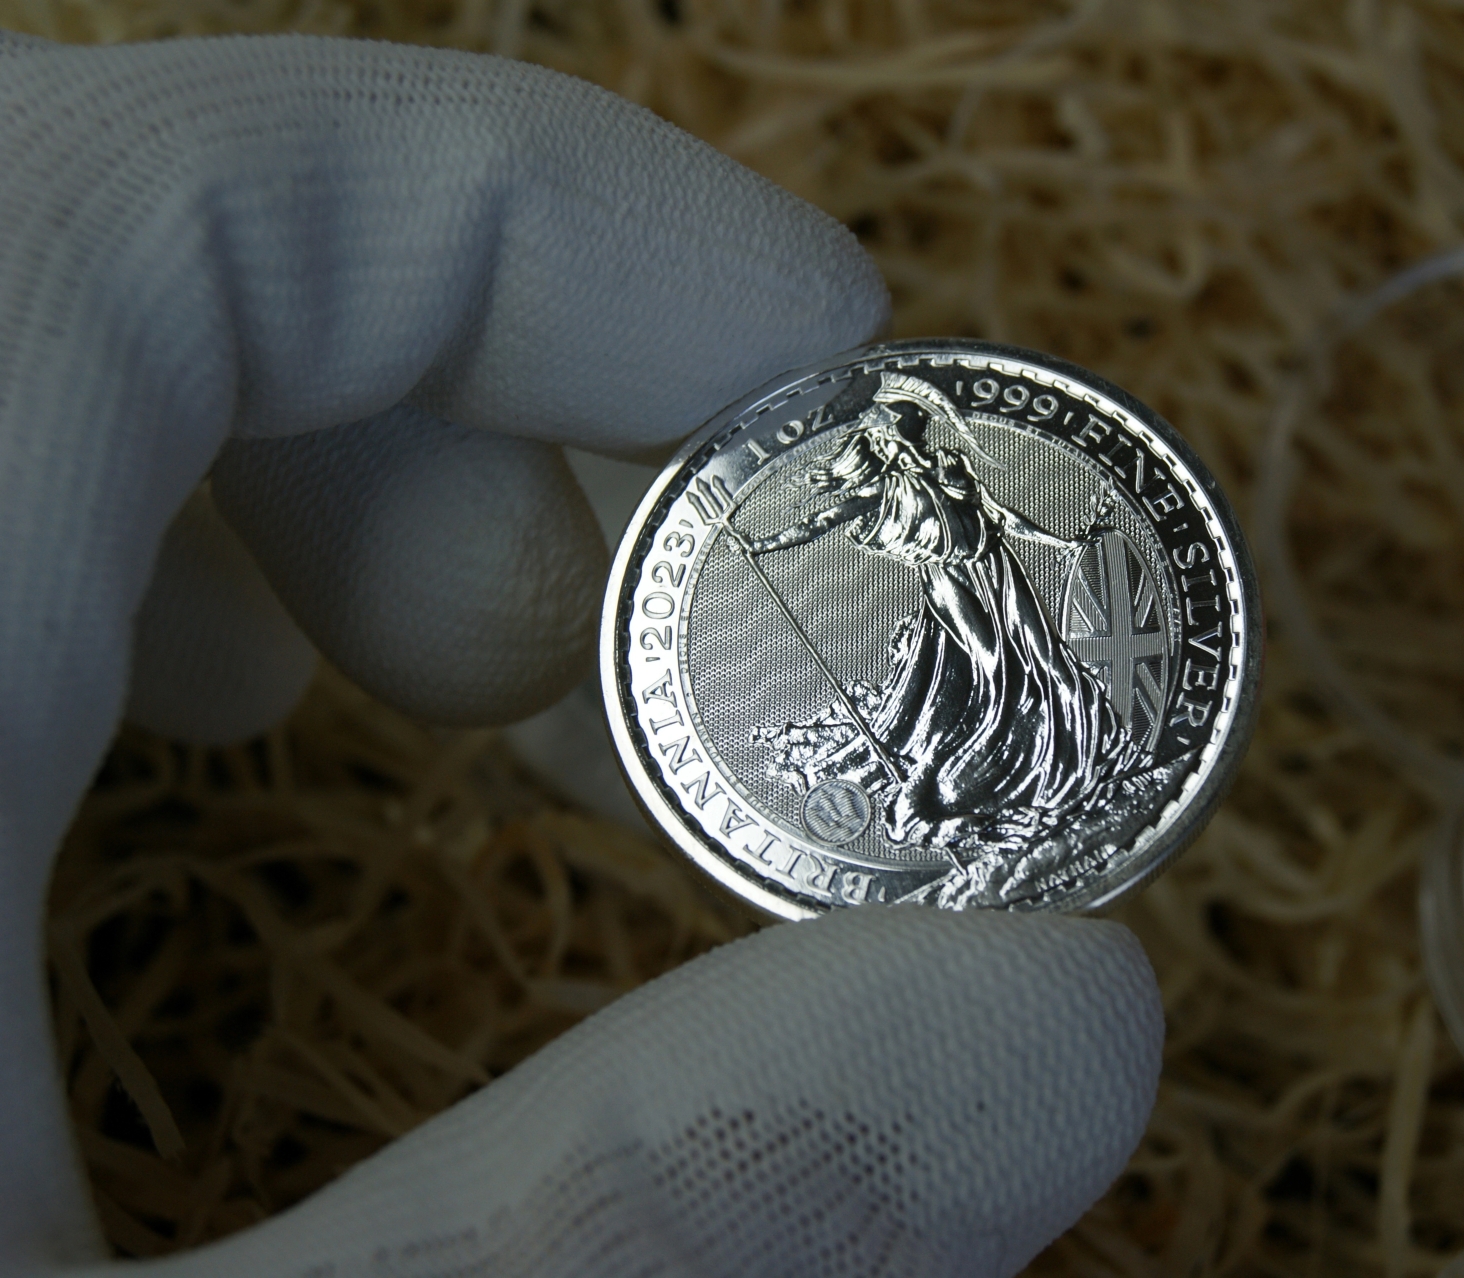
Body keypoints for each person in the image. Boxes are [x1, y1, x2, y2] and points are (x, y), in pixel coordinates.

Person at [0, 30, 1162, 1277]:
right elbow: (836, 516)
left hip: (977, 622)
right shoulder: (894, 496)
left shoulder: (954, 501)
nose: (876, 476)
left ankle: (976, 763)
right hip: (927, 623)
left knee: (984, 685)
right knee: (932, 700)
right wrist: (780, 536)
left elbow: (982, 539)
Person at [749, 374, 1138, 857]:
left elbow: (999, 515)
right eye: (900, 419)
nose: (907, 427)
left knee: (1046, 661)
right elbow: (823, 520)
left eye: (913, 420)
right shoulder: (883, 486)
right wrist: (764, 543)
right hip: (948, 578)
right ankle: (994, 772)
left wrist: (1062, 543)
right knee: (993, 663)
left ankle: (1070, 751)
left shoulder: (951, 465)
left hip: (997, 568)